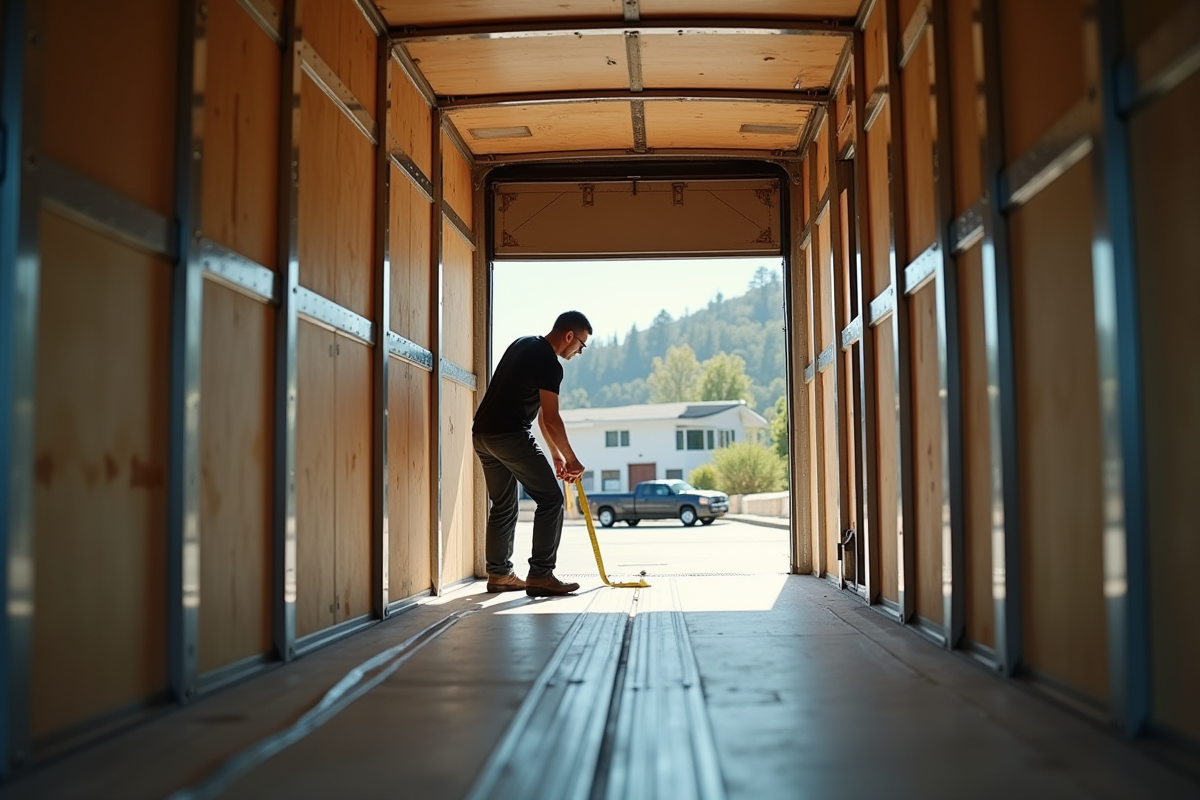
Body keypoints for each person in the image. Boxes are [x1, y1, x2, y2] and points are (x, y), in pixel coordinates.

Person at [472, 311, 591, 597]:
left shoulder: (522, 344)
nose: (579, 352)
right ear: (569, 336)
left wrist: (556, 455)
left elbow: (540, 418)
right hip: (510, 435)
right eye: (581, 345)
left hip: (483, 435)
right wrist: (572, 459)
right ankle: (541, 575)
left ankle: (499, 574)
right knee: (551, 499)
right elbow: (551, 418)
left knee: (503, 505)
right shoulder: (550, 364)